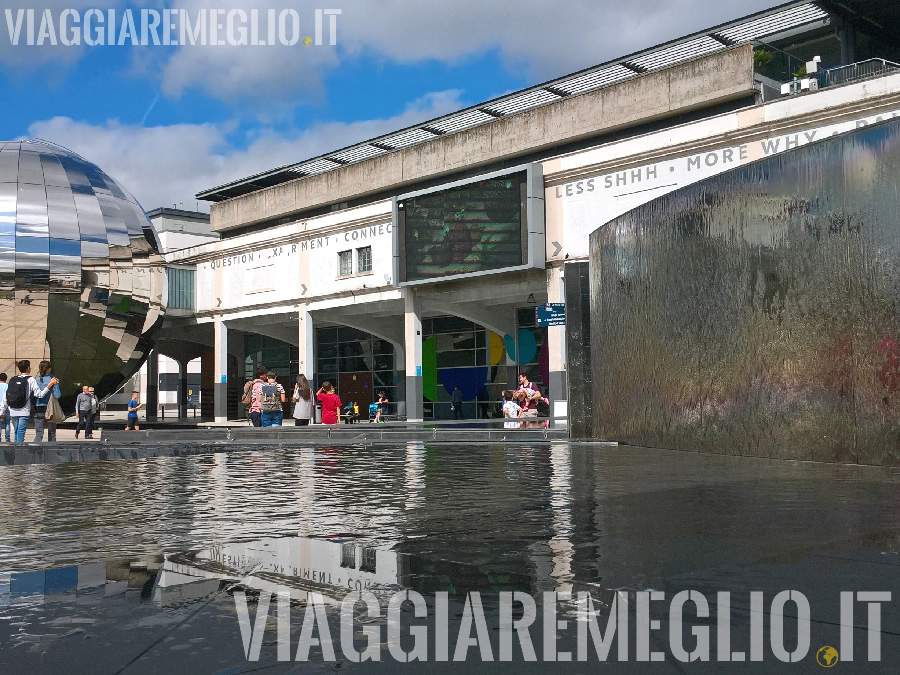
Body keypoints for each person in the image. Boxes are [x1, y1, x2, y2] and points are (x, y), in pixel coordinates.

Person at [0, 360, 59, 443]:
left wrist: (2, 411)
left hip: (13, 410)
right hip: (24, 410)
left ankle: (16, 451)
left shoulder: (13, 379)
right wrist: (49, 385)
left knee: (17, 433)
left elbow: (6, 397)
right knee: (21, 433)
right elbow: (40, 394)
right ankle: (19, 452)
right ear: (28, 368)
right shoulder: (31, 379)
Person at [33, 360, 62, 442]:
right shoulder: (53, 380)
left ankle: (36, 449)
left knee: (39, 432)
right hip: (50, 407)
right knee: (52, 432)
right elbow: (57, 395)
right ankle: (52, 449)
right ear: (49, 369)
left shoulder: (36, 380)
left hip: (38, 407)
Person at [0, 373, 9, 442]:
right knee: (7, 422)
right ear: (6, 379)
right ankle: (7, 438)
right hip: (7, 406)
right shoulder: (8, 386)